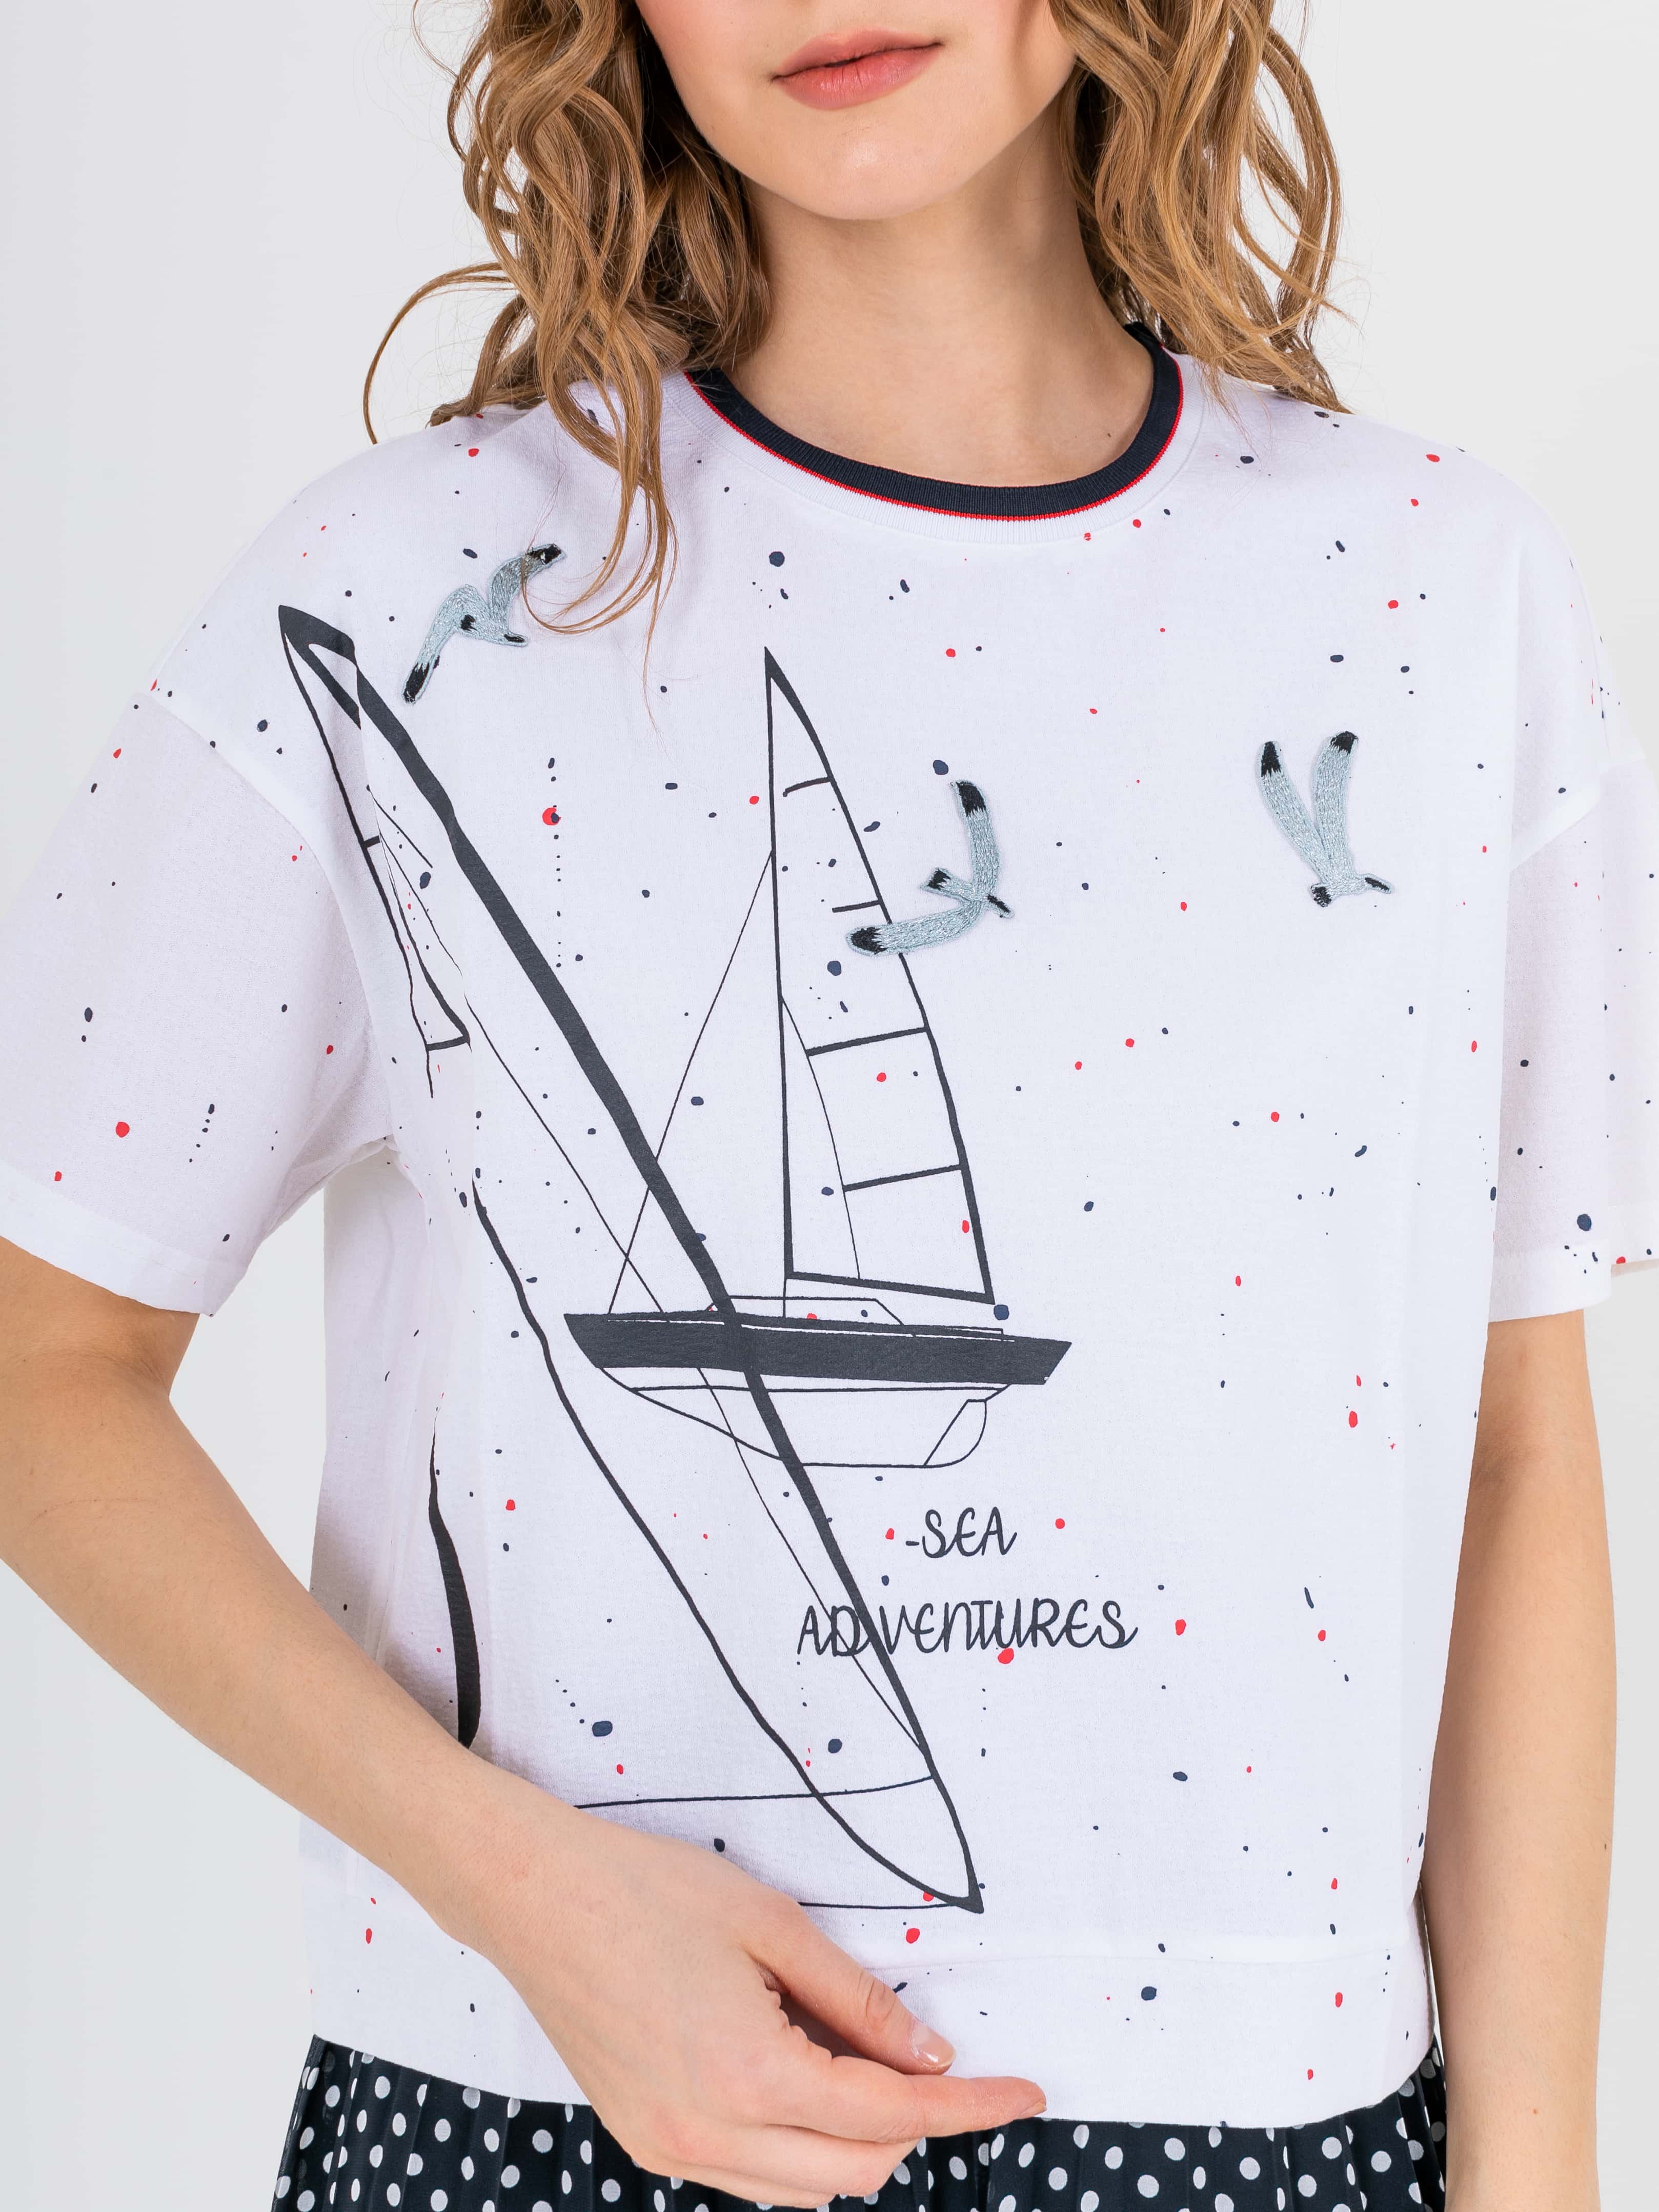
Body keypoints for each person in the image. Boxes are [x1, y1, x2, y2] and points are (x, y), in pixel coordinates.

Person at [0, 4, 1652, 2209]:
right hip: (533, 2119)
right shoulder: (403, 600)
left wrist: (1533, 2170)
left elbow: (1513, 1441)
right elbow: (41, 1359)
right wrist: (523, 1891)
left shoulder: (1433, 595)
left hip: (1277, 2144)